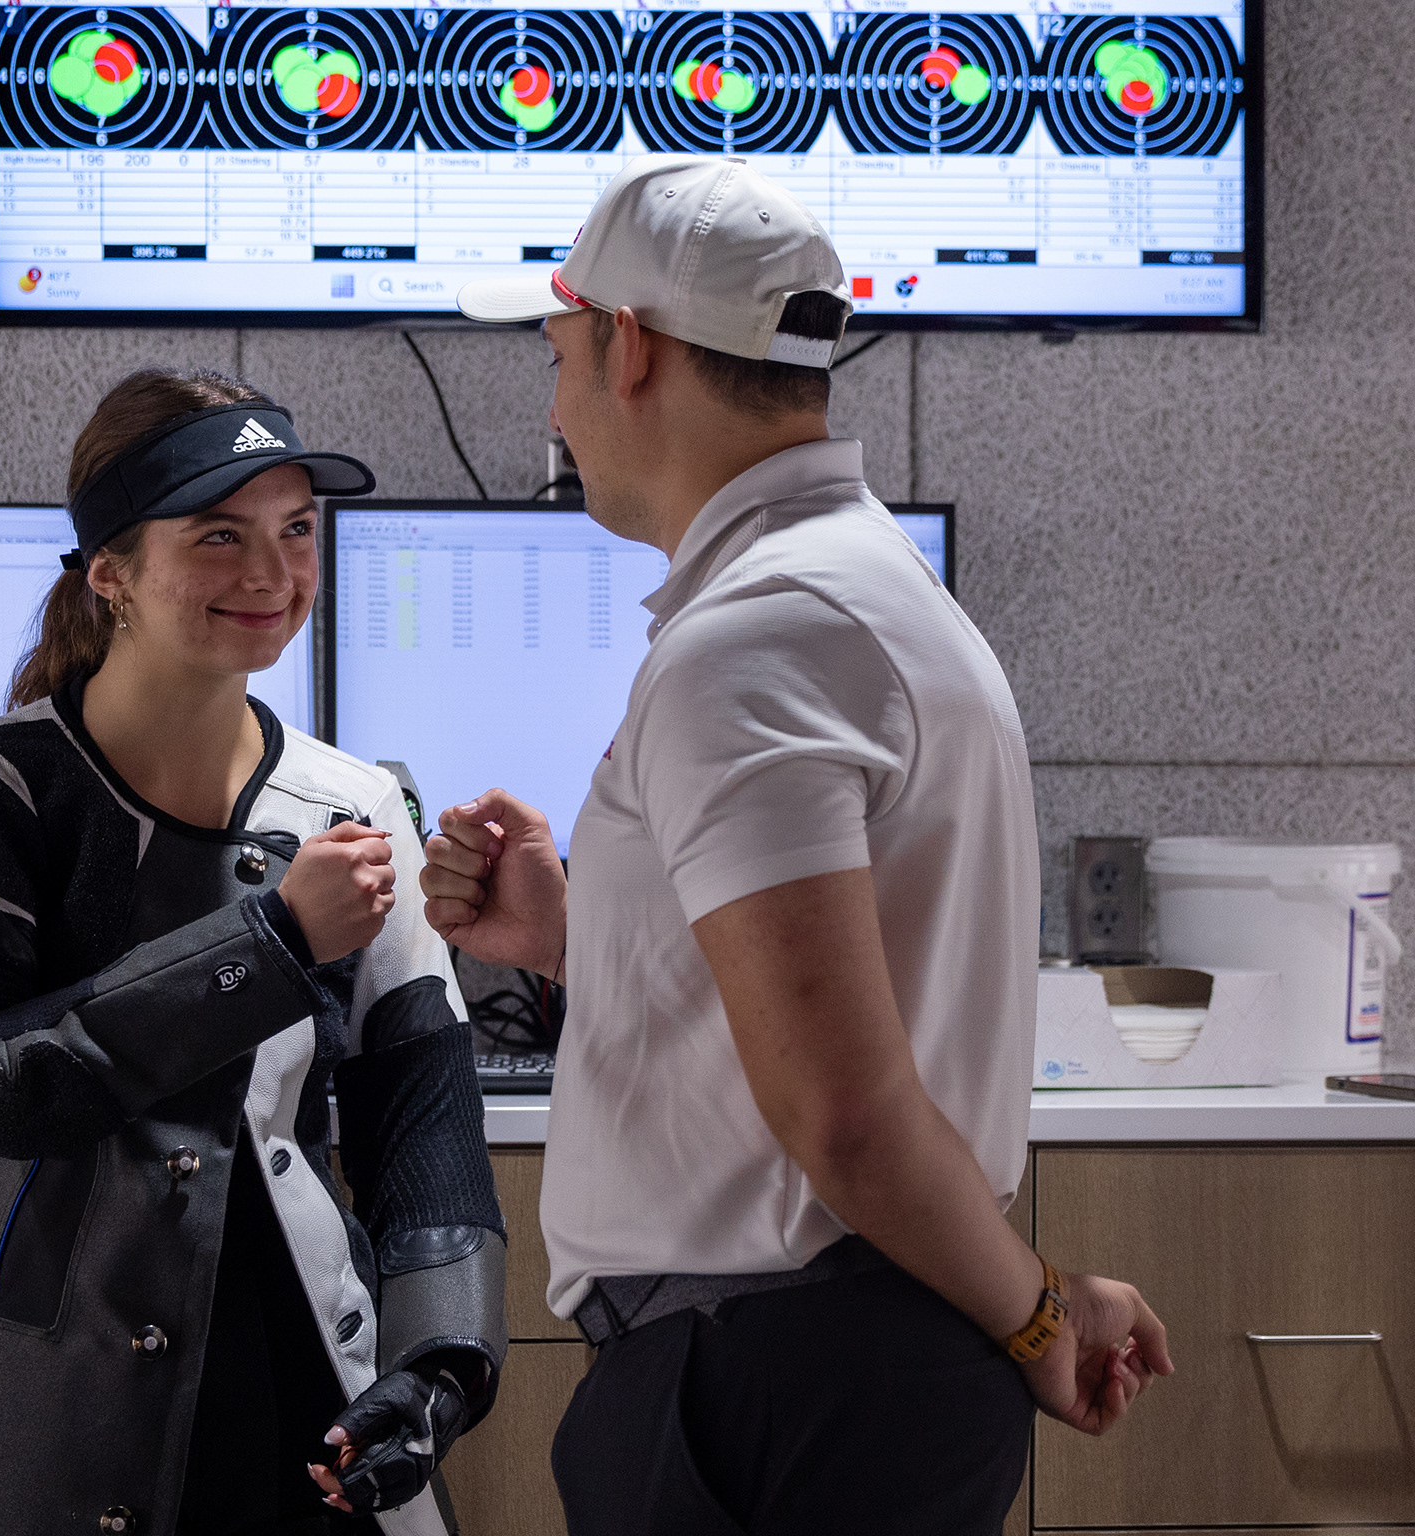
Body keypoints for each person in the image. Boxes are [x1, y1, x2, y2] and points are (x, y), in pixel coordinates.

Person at [424, 156, 1174, 1534]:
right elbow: (826, 1002)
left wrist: (1040, 1314)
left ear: (631, 346)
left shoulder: (757, 639)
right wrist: (580, 936)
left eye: (556, 355)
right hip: (836, 1364)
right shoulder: (862, 590)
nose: (553, 408)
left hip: (774, 1384)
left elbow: (847, 1116)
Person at [0, 369, 506, 1536]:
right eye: (220, 535)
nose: (272, 573)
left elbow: (424, 1118)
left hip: (296, 1393)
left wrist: (442, 1363)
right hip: (31, 1413)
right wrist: (272, 940)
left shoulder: (357, 806)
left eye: (296, 530)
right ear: (109, 573)